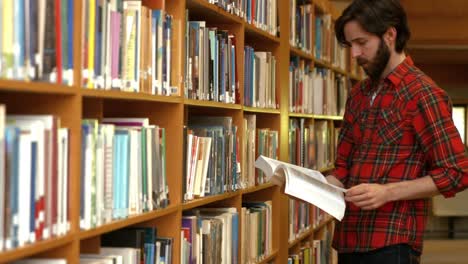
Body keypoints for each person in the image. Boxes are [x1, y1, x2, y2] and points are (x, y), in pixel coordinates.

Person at [325, 0, 468, 263]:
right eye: (349, 45)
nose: (354, 54)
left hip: (392, 242)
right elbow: (343, 168)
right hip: (348, 237)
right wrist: (313, 186)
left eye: (361, 42)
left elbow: (456, 172)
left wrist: (387, 192)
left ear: (390, 35)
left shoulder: (424, 94)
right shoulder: (358, 94)